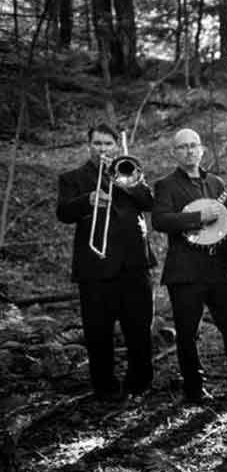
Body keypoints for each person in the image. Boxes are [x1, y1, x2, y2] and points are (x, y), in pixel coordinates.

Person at [152, 128, 227, 403]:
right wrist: (198, 216)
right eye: (183, 147)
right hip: (185, 270)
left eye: (194, 145)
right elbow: (160, 220)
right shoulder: (166, 185)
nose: (189, 151)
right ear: (174, 153)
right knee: (188, 332)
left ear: (202, 150)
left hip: (218, 265)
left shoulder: (214, 182)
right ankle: (194, 387)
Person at [56, 124, 155, 401]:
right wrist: (88, 200)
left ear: (116, 146)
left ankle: (140, 384)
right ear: (89, 146)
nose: (103, 149)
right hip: (95, 268)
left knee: (139, 328)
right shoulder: (72, 178)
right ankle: (105, 388)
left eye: (108, 144)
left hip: (134, 266)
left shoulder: (129, 172)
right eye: (98, 144)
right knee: (98, 333)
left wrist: (130, 180)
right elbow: (63, 212)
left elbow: (149, 202)